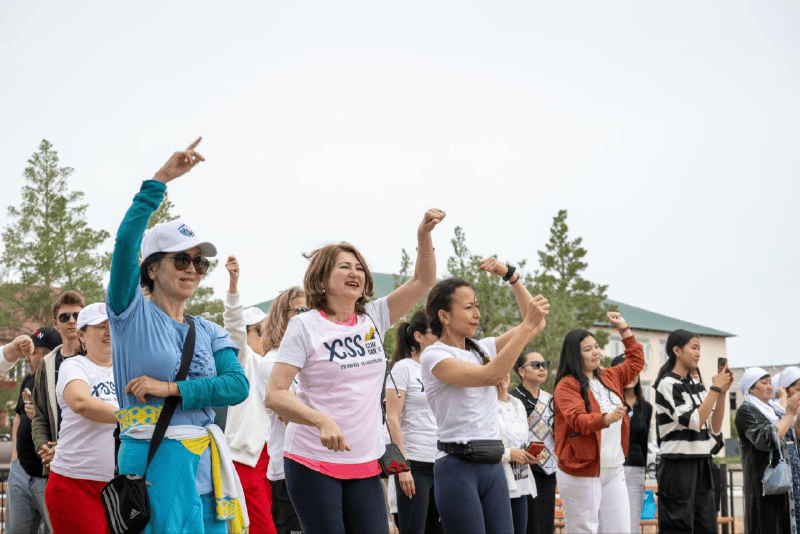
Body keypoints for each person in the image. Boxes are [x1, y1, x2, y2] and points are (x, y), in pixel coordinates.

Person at [266, 208, 445, 534]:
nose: (355, 272)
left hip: (365, 461)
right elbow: (275, 394)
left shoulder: (374, 316)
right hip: (312, 460)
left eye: (359, 267)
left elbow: (423, 281)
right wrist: (320, 421)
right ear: (322, 278)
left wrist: (424, 234)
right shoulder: (304, 325)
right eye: (345, 266)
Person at [107, 138, 249, 534]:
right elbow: (125, 243)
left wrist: (170, 389)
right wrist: (160, 181)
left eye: (200, 262)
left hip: (206, 462)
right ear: (151, 268)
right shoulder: (129, 314)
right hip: (154, 459)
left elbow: (237, 386)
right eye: (182, 259)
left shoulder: (209, 330)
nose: (192, 269)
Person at [421, 271, 549, 534]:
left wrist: (513, 279)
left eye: (477, 306)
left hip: (492, 465)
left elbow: (536, 325)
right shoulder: (435, 355)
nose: (477, 314)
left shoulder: (482, 348)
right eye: (468, 307)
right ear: (444, 316)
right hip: (457, 466)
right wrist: (526, 325)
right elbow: (490, 375)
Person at [552, 313, 643, 534]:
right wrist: (605, 419)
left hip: (614, 468)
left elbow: (636, 362)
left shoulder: (609, 376)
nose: (596, 352)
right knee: (584, 529)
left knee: (620, 530)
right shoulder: (567, 385)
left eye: (596, 347)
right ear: (575, 355)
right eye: (588, 349)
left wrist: (624, 329)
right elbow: (578, 420)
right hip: (581, 470)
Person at [45, 303, 118, 534]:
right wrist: (132, 418)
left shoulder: (126, 370)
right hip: (75, 484)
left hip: (119, 486)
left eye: (111, 325)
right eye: (99, 326)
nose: (107, 332)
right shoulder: (74, 366)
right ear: (81, 335)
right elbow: (81, 402)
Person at [654, 329, 733, 534]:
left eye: (699, 349)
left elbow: (714, 427)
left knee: (706, 527)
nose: (698, 353)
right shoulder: (667, 384)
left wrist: (722, 394)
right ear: (677, 350)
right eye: (694, 348)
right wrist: (714, 389)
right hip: (677, 465)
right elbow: (694, 420)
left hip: (703, 462)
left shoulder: (696, 385)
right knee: (678, 527)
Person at [223, 255, 276, 534]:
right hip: (247, 459)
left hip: (275, 458)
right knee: (262, 528)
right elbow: (233, 330)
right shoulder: (244, 361)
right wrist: (233, 287)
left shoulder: (275, 365)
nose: (269, 335)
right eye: (263, 330)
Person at [256, 286, 307, 534]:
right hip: (289, 470)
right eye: (300, 310)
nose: (307, 316)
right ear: (280, 317)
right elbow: (292, 416)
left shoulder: (313, 359)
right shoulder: (271, 363)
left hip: (324, 466)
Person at [385, 310, 441, 534]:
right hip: (414, 464)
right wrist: (401, 468)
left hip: (443, 464)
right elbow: (391, 419)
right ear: (419, 337)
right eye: (436, 331)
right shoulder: (403, 368)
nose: (442, 335)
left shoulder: (444, 369)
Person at [7, 328, 61, 534]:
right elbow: (17, 417)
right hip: (21, 471)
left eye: (34, 352)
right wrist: (14, 457)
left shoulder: (63, 383)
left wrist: (38, 416)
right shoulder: (28, 379)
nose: (27, 358)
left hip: (48, 478)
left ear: (49, 355)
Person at [735, 367, 800, 534]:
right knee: (766, 524)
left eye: (770, 383)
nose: (770, 386)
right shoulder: (746, 411)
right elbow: (766, 439)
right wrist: (790, 414)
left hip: (785, 480)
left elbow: (792, 436)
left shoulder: (774, 409)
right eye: (764, 383)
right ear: (750, 387)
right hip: (764, 482)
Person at [32, 290, 85, 471]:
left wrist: (64, 450)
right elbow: (39, 416)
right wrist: (44, 447)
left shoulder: (97, 358)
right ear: (55, 323)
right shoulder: (46, 364)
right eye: (64, 317)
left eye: (77, 316)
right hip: (57, 464)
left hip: (91, 460)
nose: (72, 321)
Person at [511, 351, 557, 534]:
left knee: (546, 524)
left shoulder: (550, 399)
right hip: (523, 469)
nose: (542, 368)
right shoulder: (513, 399)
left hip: (548, 470)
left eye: (545, 364)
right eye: (536, 365)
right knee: (528, 525)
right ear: (521, 371)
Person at [610, 353, 653, 534]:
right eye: (625, 370)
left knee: (631, 521)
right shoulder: (609, 403)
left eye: (634, 370)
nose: (631, 374)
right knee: (611, 521)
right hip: (611, 468)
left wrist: (643, 471)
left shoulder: (646, 407)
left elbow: (644, 443)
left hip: (635, 468)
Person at [497, 372, 538, 534]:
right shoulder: (484, 405)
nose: (502, 375)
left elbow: (522, 440)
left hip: (521, 482)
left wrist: (530, 454)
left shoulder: (517, 404)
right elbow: (479, 445)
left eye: (505, 370)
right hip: (499, 482)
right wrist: (508, 454)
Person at [773, 367, 800, 529]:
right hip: (783, 467)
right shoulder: (776, 408)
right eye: (798, 389)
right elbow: (778, 434)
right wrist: (788, 409)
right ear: (785, 389)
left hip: (795, 464)